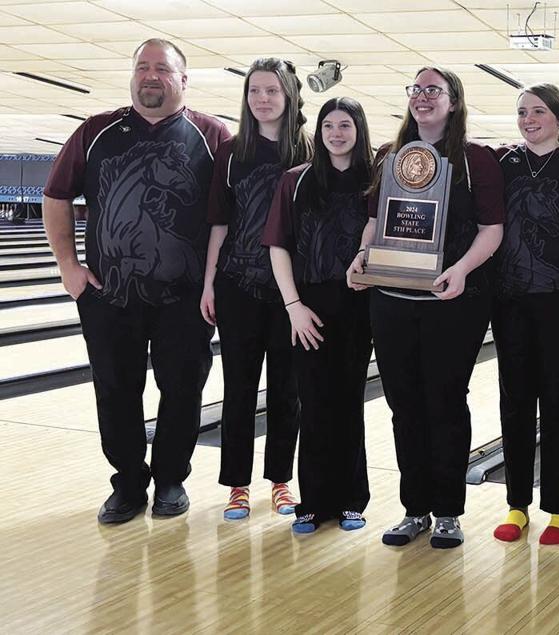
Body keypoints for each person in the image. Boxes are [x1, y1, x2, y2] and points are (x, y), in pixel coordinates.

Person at [43, 38, 230, 524]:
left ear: (183, 79)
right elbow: (56, 195)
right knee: (115, 389)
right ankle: (127, 482)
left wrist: (216, 284)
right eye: (142, 67)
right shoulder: (95, 132)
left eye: (162, 69)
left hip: (186, 299)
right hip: (109, 294)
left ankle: (171, 479)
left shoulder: (212, 135)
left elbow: (228, 216)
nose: (150, 76)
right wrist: (69, 267)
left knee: (183, 389)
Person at [347, 66, 504, 550]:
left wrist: (461, 270)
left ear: (454, 101)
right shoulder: (390, 156)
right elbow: (375, 220)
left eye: (434, 90)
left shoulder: (476, 159)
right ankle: (414, 509)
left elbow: (492, 230)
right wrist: (362, 256)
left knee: (445, 403)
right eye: (416, 89)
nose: (423, 97)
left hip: (451, 301)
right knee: (403, 406)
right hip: (392, 301)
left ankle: (448, 513)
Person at [203, 58, 312, 521]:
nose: (262, 99)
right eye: (254, 91)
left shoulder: (309, 150)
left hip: (291, 293)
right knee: (239, 390)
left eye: (271, 91)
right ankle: (237, 485)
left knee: (287, 390)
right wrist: (209, 283)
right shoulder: (232, 152)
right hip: (238, 286)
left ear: (289, 95)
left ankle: (281, 481)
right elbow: (220, 222)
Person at [262, 97, 374, 535]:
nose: (336, 133)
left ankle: (352, 500)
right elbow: (278, 246)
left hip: (360, 305)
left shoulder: (374, 180)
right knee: (313, 402)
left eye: (345, 125)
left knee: (349, 402)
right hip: (308, 305)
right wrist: (294, 307)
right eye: (329, 125)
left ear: (359, 130)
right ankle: (314, 501)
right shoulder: (296, 180)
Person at [491, 84, 559, 545]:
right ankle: (516, 504)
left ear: (558, 117)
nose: (528, 119)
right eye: (522, 112)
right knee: (514, 402)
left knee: (556, 401)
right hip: (510, 298)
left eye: (538, 111)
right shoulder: (504, 164)